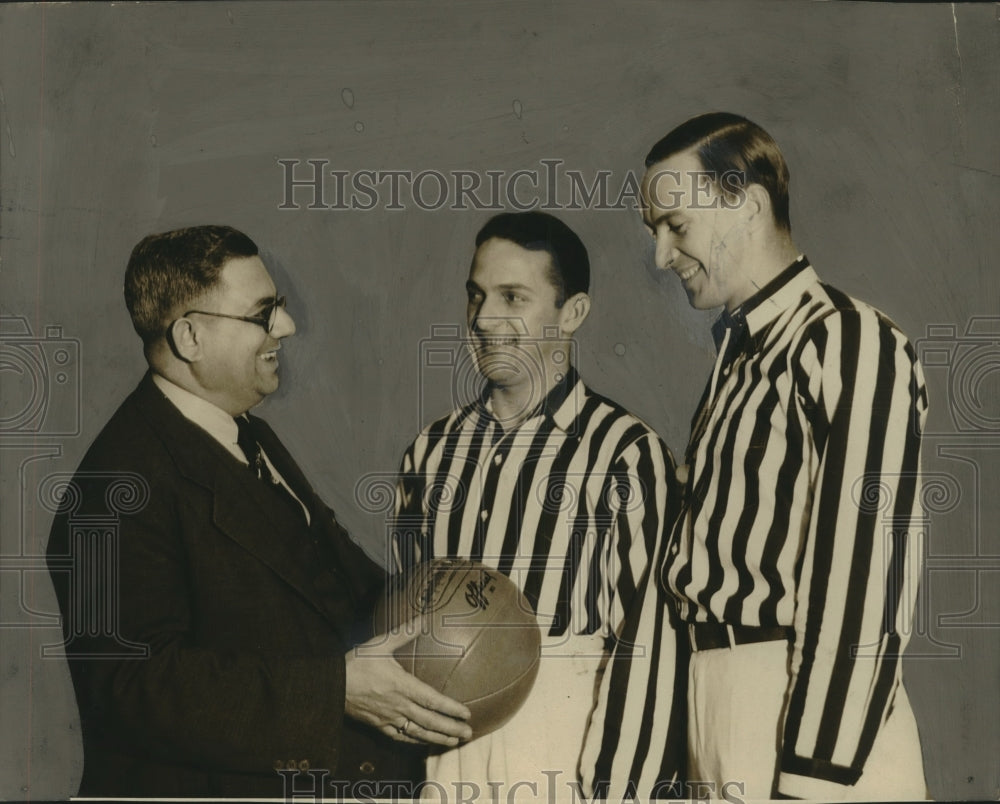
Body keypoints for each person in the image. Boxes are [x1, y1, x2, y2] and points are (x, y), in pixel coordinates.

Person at [45, 225, 472, 799]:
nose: (287, 328)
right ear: (190, 337)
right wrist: (335, 690)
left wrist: (450, 605)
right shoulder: (110, 488)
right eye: (263, 313)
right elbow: (128, 688)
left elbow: (333, 586)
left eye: (281, 307)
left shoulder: (250, 435)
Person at [637, 113, 928, 800]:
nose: (660, 255)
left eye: (675, 225)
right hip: (720, 705)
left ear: (748, 202)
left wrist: (812, 777)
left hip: (803, 716)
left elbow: (864, 586)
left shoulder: (847, 341)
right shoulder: (737, 363)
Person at [391, 211, 686, 801]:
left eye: (513, 297)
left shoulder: (624, 452)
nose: (484, 319)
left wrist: (620, 791)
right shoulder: (430, 451)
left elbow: (651, 646)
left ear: (571, 313)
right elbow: (407, 622)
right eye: (476, 296)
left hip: (566, 749)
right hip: (447, 754)